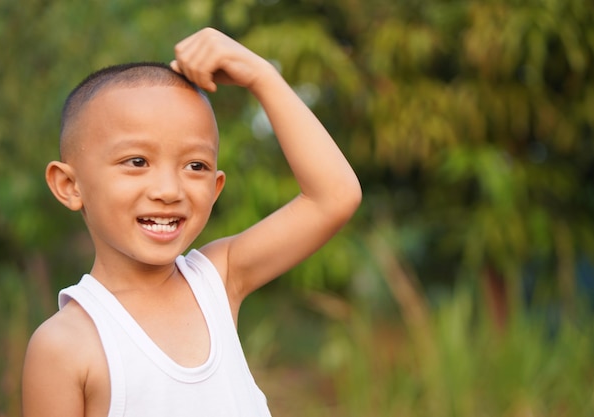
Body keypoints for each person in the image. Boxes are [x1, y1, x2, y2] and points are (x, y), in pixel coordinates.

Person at [21, 27, 361, 417]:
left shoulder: (216, 281)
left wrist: (261, 75)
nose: (169, 190)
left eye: (195, 166)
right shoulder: (65, 346)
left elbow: (334, 197)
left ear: (216, 188)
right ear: (69, 185)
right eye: (137, 162)